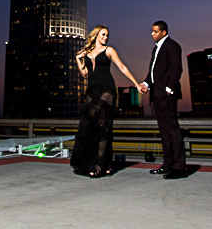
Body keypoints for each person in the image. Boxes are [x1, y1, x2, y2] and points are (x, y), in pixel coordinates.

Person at [70, 24, 143, 177]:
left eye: (107, 35)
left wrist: (136, 84)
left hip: (107, 91)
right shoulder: (88, 52)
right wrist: (78, 58)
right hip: (91, 91)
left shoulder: (109, 50)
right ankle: (103, 164)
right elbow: (84, 73)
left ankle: (99, 166)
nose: (105, 38)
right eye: (103, 35)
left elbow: (122, 67)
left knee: (102, 127)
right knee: (88, 126)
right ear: (96, 35)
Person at [139, 20, 186, 179]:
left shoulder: (172, 46)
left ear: (164, 32)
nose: (152, 34)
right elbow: (152, 71)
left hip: (166, 95)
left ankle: (178, 168)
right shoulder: (155, 49)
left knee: (172, 131)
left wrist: (167, 89)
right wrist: (146, 83)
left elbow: (176, 69)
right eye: (152, 31)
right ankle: (167, 165)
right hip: (156, 95)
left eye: (155, 31)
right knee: (164, 132)